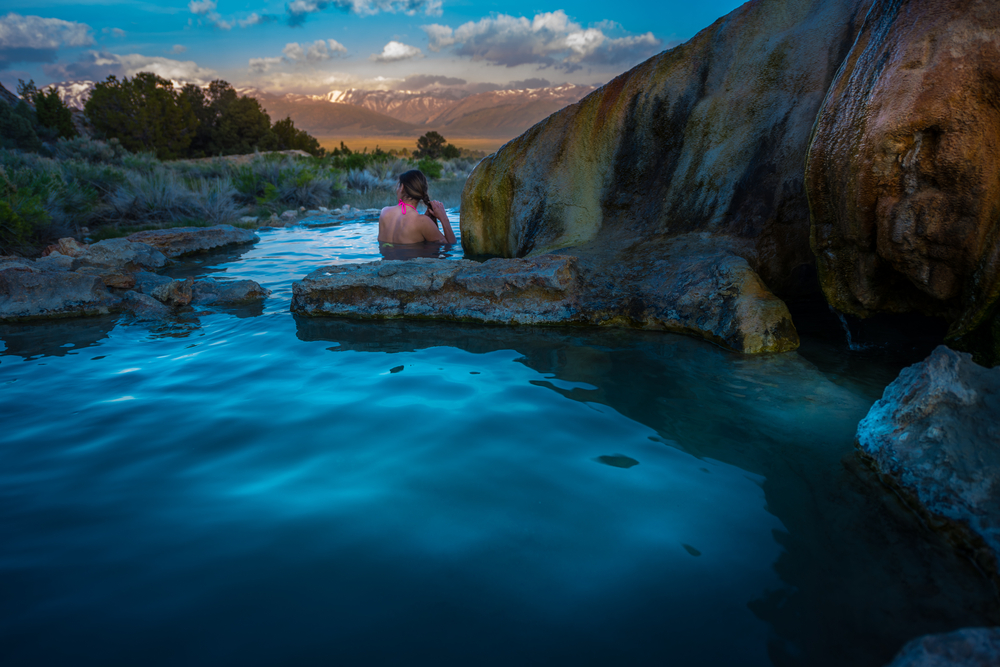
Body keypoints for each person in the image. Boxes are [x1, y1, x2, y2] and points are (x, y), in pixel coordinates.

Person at [378, 169, 456, 259]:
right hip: (409, 270)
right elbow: (450, 247)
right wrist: (443, 218)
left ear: (402, 187)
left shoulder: (384, 212)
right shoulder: (422, 222)